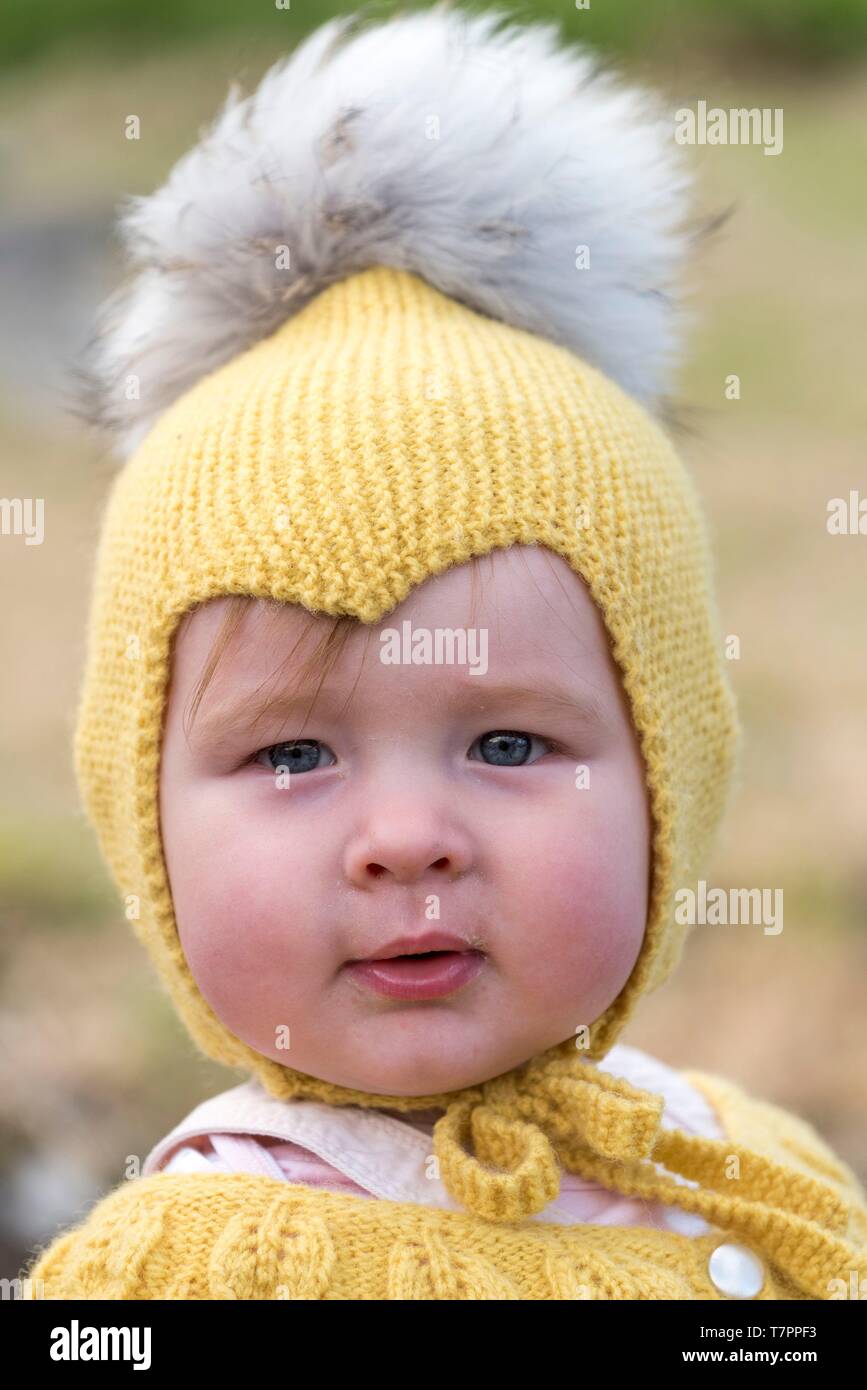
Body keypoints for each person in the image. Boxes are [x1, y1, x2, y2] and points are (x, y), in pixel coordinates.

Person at [23, 4, 867, 1300]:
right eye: (294, 750)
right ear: (144, 822)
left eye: (511, 741)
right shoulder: (174, 1276)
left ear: (667, 778)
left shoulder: (751, 1170)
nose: (407, 837)